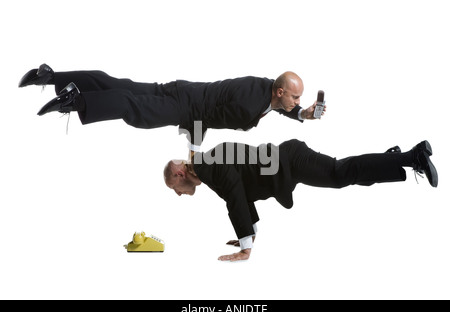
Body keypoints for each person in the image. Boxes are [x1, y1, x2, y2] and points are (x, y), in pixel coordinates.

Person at [163, 139, 438, 262]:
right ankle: (391, 158)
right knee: (342, 175)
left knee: (340, 173)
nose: (178, 193)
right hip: (287, 165)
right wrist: (251, 233)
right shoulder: (209, 167)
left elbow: (234, 197)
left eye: (174, 187)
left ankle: (410, 156)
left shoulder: (209, 165)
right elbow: (242, 195)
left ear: (179, 173)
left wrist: (246, 247)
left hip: (291, 162)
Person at [18, 64, 325, 152]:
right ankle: (77, 101)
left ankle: (50, 76)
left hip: (182, 87)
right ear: (282, 91)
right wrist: (193, 149)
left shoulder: (265, 86)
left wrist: (302, 114)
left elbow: (277, 106)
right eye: (296, 99)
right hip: (185, 104)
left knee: (115, 81)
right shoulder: (247, 108)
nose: (297, 102)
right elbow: (207, 118)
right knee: (134, 109)